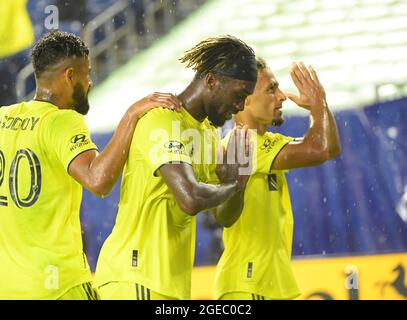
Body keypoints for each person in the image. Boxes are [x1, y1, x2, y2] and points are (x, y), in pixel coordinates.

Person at [0, 31, 181, 300]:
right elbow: (98, 181)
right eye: (87, 73)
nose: (90, 81)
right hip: (58, 286)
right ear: (70, 75)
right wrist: (131, 115)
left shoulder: (4, 117)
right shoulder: (61, 121)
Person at [94, 35, 258, 300]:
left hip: (168, 285)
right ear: (212, 80)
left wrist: (238, 186)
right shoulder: (162, 121)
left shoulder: (208, 133)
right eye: (239, 95)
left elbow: (224, 217)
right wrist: (230, 185)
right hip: (135, 278)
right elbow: (191, 198)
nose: (240, 106)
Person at [214, 58, 341, 300]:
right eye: (271, 89)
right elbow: (320, 149)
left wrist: (320, 106)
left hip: (268, 282)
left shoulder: (267, 141)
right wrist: (317, 105)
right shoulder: (242, 144)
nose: (282, 96)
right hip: (249, 283)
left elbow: (330, 149)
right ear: (245, 99)